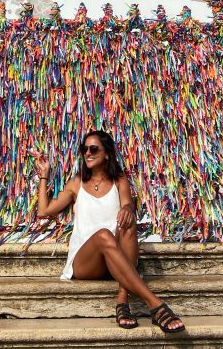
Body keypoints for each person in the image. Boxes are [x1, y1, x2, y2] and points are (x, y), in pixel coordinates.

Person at [34, 129, 185, 333]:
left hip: (114, 259)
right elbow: (44, 211)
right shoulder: (77, 182)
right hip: (85, 263)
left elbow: (128, 205)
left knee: (128, 222)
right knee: (104, 233)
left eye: (93, 148)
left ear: (106, 153)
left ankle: (122, 300)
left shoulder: (119, 180)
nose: (88, 153)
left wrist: (127, 209)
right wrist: (44, 176)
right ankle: (155, 305)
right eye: (84, 149)